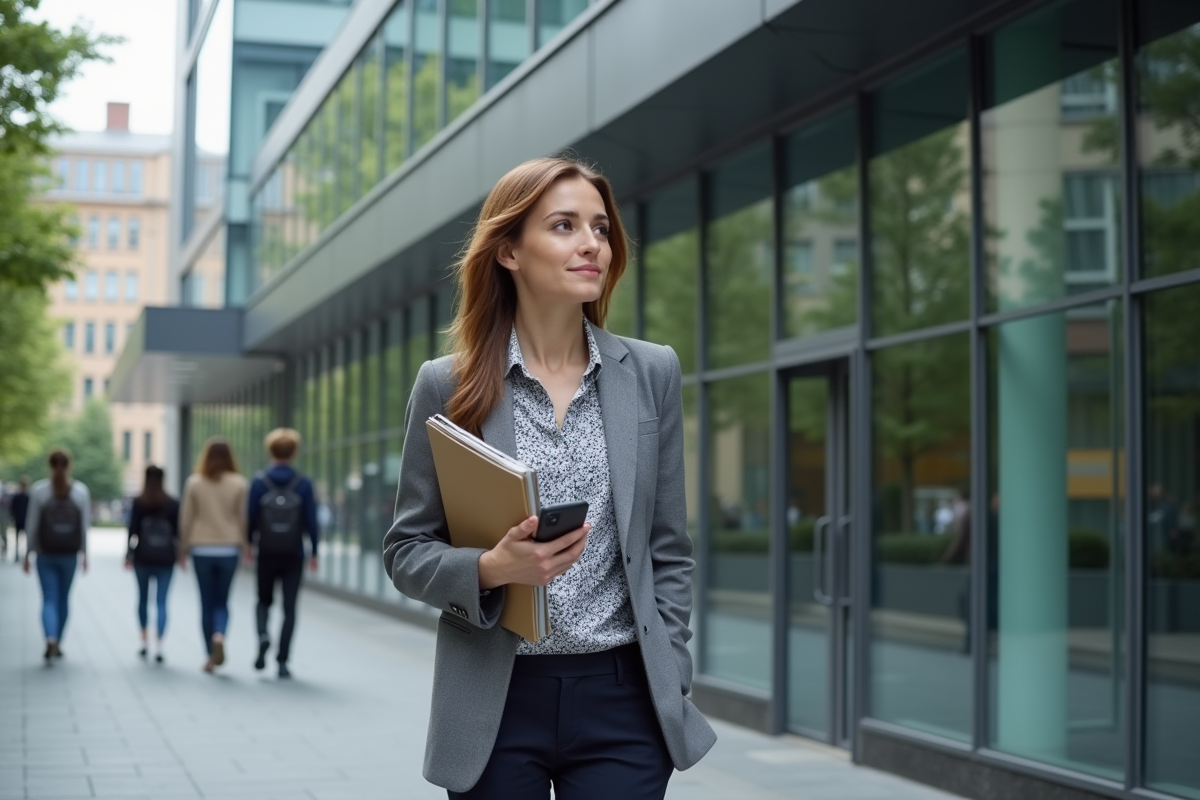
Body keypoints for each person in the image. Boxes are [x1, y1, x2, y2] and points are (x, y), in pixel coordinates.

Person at [383, 157, 715, 799]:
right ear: (508, 249)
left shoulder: (652, 374)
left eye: (601, 227)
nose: (592, 242)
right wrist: (491, 569)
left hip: (625, 700)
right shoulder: (448, 385)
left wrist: (670, 672)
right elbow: (406, 551)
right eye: (564, 226)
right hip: (495, 699)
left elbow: (668, 546)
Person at [247, 428, 319, 679]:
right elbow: (311, 520)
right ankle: (282, 661)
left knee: (263, 600)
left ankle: (263, 635)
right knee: (290, 608)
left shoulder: (258, 482)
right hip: (293, 553)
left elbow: (251, 519)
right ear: (293, 452)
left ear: (271, 451)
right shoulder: (303, 484)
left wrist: (248, 545)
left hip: (266, 552)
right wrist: (315, 552)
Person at [179, 437, 249, 674]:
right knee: (222, 601)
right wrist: (246, 546)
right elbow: (244, 519)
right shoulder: (239, 483)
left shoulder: (194, 483)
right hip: (229, 547)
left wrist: (182, 548)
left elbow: (186, 519)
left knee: (206, 602)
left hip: (201, 548)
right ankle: (220, 634)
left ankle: (210, 655)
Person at [23, 451, 89, 663]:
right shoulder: (80, 492)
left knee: (49, 598)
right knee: (63, 599)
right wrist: (85, 554)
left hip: (45, 553)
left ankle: (49, 637)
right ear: (70, 465)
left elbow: (31, 525)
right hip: (69, 554)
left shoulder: (39, 490)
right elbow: (84, 527)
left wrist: (27, 553)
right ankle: (58, 641)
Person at [125, 465, 180, 663]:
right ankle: (160, 645)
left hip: (143, 557)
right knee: (162, 602)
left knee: (142, 600)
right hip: (165, 558)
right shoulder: (172, 503)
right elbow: (178, 533)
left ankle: (143, 640)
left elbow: (132, 530)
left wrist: (128, 554)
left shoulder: (139, 502)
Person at [10, 477, 30, 562]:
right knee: (18, 538)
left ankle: (26, 554)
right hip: (19, 519)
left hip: (26, 519)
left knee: (26, 538)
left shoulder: (28, 496)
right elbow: (12, 508)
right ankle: (17, 554)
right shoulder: (17, 496)